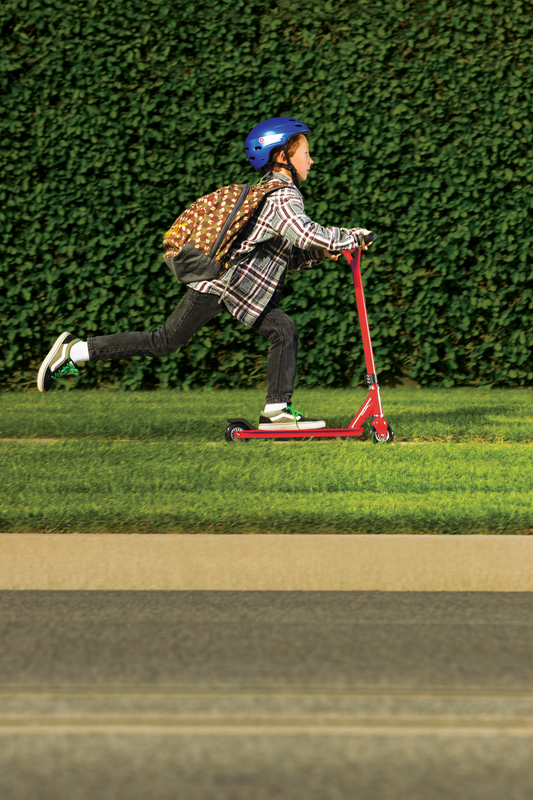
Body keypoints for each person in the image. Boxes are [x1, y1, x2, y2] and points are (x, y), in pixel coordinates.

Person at [37, 116, 373, 430]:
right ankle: (75, 351)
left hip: (238, 288)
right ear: (282, 156)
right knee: (165, 341)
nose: (311, 161)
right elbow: (304, 234)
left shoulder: (271, 194)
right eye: (306, 153)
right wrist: (348, 237)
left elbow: (283, 252)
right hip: (222, 285)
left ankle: (277, 412)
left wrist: (322, 251)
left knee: (283, 330)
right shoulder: (283, 195)